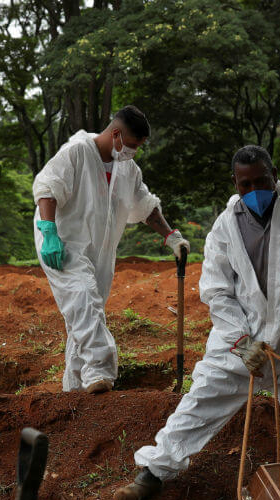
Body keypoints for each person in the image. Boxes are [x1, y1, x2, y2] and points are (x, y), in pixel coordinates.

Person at [112, 144, 280, 500]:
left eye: (261, 181)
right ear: (234, 183)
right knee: (199, 402)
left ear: (275, 176)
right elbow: (217, 291)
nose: (254, 192)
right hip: (241, 347)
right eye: (245, 184)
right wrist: (241, 341)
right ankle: (153, 473)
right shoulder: (223, 228)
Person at [33, 106, 191, 393]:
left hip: (100, 251)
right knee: (83, 298)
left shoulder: (128, 168)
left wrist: (171, 236)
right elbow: (47, 188)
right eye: (131, 146)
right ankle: (100, 371)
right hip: (63, 242)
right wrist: (49, 231)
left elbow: (144, 205)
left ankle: (75, 390)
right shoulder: (78, 153)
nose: (133, 152)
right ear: (116, 134)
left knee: (84, 312)